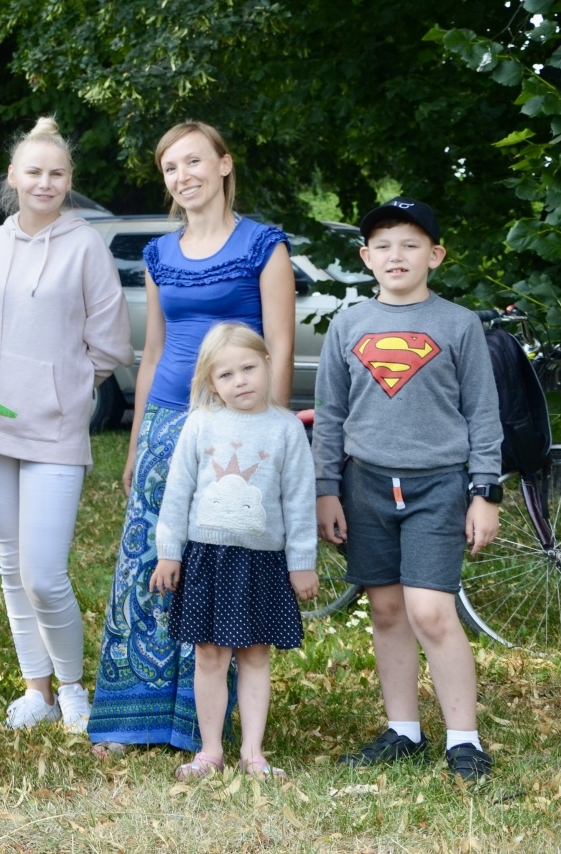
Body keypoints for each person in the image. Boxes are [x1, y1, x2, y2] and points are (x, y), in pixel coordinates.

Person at [88, 120, 296, 756]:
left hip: (237, 428)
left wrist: (270, 439)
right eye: (171, 168)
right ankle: (131, 716)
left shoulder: (264, 246)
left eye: (194, 162)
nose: (183, 176)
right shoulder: (159, 255)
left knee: (220, 562)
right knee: (149, 562)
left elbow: (281, 347)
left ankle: (202, 722)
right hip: (167, 425)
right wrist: (134, 443)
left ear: (225, 165)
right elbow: (150, 354)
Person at [311, 198, 502, 781]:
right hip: (364, 484)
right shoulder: (348, 325)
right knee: (388, 609)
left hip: (438, 486)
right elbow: (330, 413)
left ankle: (463, 740)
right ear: (366, 257)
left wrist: (484, 491)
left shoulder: (458, 324)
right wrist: (326, 488)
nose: (397, 255)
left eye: (411, 244)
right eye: (385, 245)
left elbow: (482, 413)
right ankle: (403, 731)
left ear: (435, 256)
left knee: (432, 612)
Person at [0, 118, 131, 734]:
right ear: (12, 177)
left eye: (57, 173)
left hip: (55, 429)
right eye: (33, 172)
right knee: (9, 567)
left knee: (44, 573)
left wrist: (62, 386)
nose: (45, 182)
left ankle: (74, 688)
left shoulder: (86, 245)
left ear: (69, 181)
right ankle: (37, 691)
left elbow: (109, 345)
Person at [150, 323, 318, 779]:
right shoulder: (201, 424)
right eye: (226, 375)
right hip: (207, 558)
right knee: (209, 655)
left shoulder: (286, 429)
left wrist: (302, 563)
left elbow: (299, 500)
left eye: (248, 368)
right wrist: (170, 552)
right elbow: (178, 492)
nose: (240, 380)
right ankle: (210, 751)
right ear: (211, 384)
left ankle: (252, 752)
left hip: (262, 561)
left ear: (267, 364)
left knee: (256, 655)